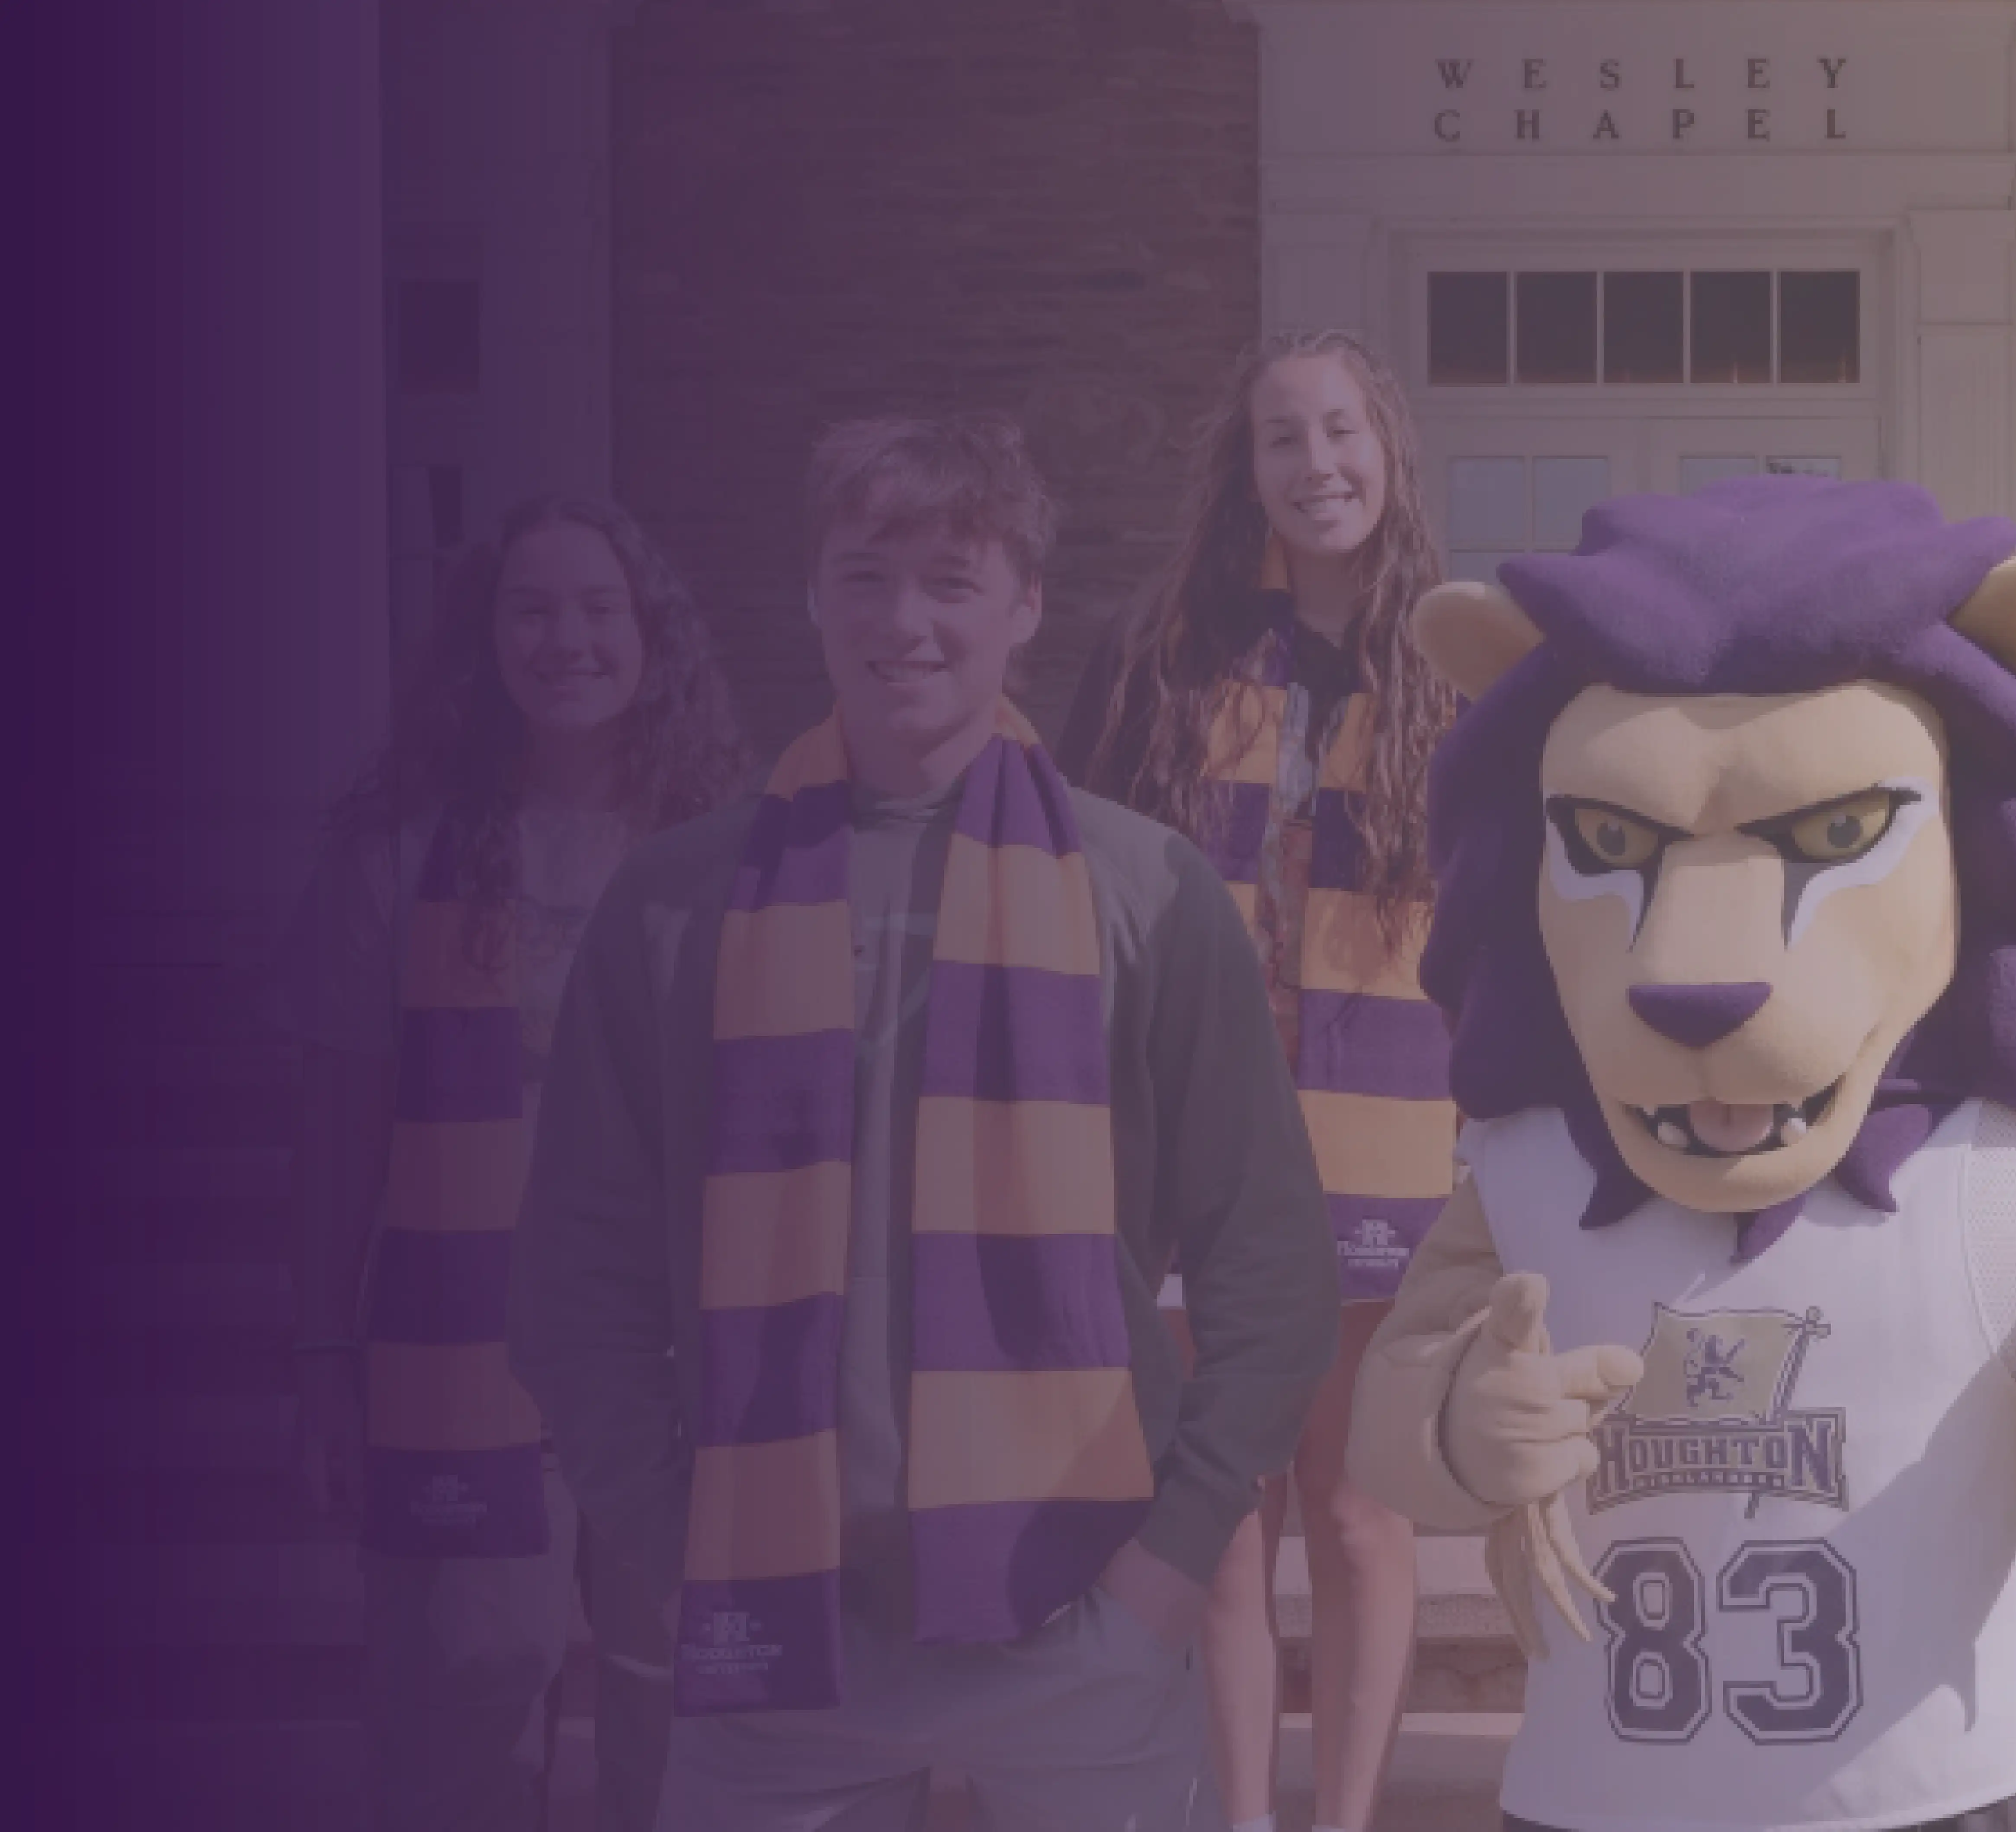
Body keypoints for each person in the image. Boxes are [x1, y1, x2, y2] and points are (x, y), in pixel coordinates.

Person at [1346, 476, 2016, 1832]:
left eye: (1838, 833)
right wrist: (1457, 1420)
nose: (1694, 964)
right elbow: (1392, 1416)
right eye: (1611, 842)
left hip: (1938, 1800)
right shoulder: (1527, 1164)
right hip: (1602, 1801)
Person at [506, 414, 1337, 1832]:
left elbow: (1271, 1258)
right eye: (865, 577)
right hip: (770, 1639)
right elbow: (575, 1270)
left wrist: (1172, 1561)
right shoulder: (675, 903)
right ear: (810, 596)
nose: (904, 623)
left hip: (1084, 1621)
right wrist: (666, 1544)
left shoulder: (1147, 891)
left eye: (952, 580)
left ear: (1025, 605)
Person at [272, 495, 745, 1831]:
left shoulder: (734, 852)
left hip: (673, 1350)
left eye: (599, 608)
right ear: (482, 638)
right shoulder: (395, 855)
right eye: (530, 609)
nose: (566, 639)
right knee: (468, 1695)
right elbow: (337, 1132)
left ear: (651, 634)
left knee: (689, 1708)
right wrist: (322, 1357)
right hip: (459, 1352)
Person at [1062, 329, 1455, 1832]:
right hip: (1197, 1141)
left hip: (1387, 1135)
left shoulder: (1455, 665)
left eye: (1340, 430)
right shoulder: (1161, 658)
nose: (1317, 464)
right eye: (1282, 437)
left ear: (1387, 448)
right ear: (1245, 468)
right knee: (1222, 1518)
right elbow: (1083, 888)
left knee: (1356, 1514)